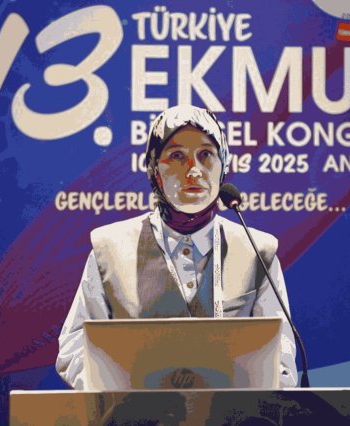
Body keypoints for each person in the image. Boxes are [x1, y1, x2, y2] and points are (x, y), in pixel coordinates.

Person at [55, 105, 297, 389]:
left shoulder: (258, 252)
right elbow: (74, 345)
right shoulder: (109, 249)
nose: (193, 171)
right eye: (177, 156)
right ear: (155, 170)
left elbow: (282, 359)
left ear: (223, 167)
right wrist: (117, 391)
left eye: (206, 155)